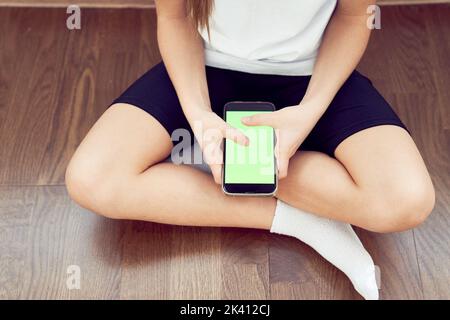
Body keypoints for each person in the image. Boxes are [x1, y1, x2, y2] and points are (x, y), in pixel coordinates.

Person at [65, 0, 435, 299]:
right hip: (205, 70)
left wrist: (309, 111)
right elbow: (175, 17)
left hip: (310, 76)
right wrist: (199, 116)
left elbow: (355, 17)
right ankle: (299, 219)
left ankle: (212, 163)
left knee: (406, 201)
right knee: (92, 179)